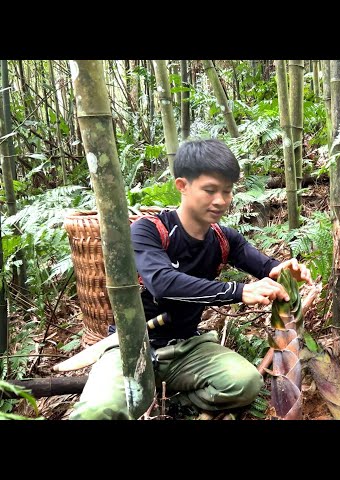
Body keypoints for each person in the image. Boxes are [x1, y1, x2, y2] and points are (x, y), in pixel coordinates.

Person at [70, 138, 312, 420]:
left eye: (227, 191)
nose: (220, 200)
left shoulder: (224, 238)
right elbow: (162, 282)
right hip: (132, 346)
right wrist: (238, 291)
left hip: (186, 347)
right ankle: (148, 396)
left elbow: (265, 266)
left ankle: (174, 400)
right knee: (95, 413)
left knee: (245, 383)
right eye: (210, 190)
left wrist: (284, 271)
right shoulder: (149, 231)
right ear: (182, 186)